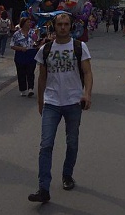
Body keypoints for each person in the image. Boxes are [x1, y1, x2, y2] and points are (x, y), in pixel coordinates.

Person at [29, 12, 93, 204]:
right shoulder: (45, 49)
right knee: (46, 145)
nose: (63, 27)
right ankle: (43, 188)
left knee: (72, 142)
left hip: (73, 102)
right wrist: (40, 101)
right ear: (54, 26)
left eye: (66, 24)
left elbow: (88, 72)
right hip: (52, 103)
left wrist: (86, 93)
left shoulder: (79, 47)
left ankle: (67, 175)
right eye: (60, 24)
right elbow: (41, 77)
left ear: (71, 26)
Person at [11, 17, 40, 97]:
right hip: (21, 54)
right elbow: (12, 45)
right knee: (21, 73)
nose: (29, 24)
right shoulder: (17, 34)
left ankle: (30, 88)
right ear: (23, 24)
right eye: (27, 22)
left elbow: (36, 42)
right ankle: (23, 89)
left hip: (31, 53)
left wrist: (36, 36)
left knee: (30, 71)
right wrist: (20, 48)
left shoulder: (33, 32)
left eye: (30, 22)